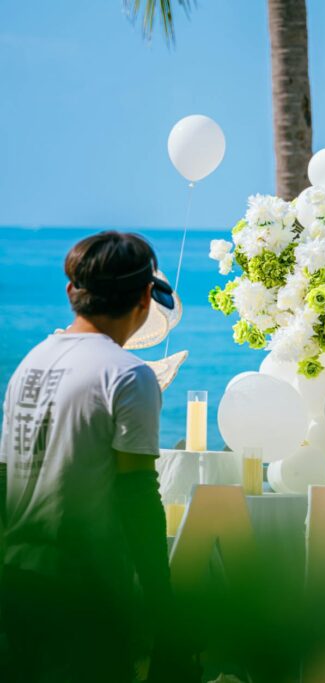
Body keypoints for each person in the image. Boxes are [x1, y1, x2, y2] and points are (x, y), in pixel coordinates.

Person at [0, 231, 197, 682]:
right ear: (148, 298)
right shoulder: (128, 375)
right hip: (86, 588)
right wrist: (163, 608)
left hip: (17, 578)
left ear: (73, 292)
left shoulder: (30, 364)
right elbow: (136, 495)